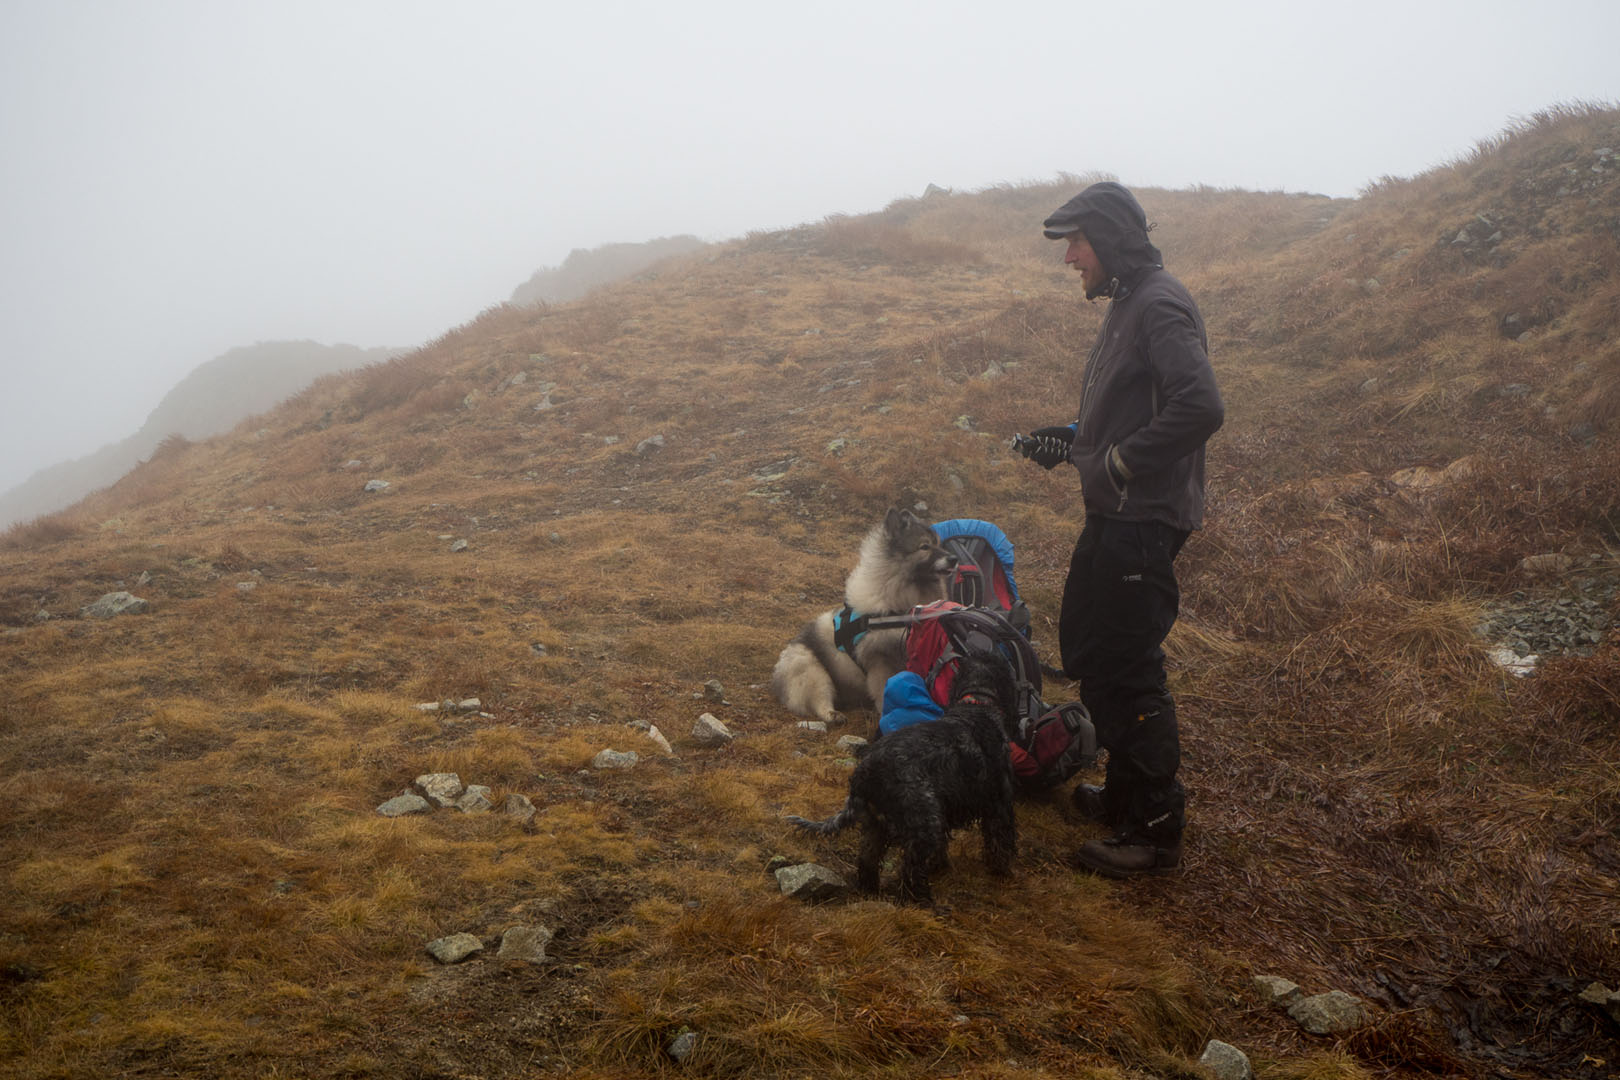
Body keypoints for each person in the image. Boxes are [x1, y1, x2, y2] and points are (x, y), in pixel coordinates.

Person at [1017, 181, 1224, 878]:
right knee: (1093, 648)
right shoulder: (1131, 300)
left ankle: (1155, 830)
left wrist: (1119, 462)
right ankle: (1128, 796)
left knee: (1129, 670)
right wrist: (1077, 440)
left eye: (1076, 241)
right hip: (1118, 513)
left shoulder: (1159, 302)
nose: (1069, 257)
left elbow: (1199, 405)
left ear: (1107, 239)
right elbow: (1139, 402)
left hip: (1142, 520)